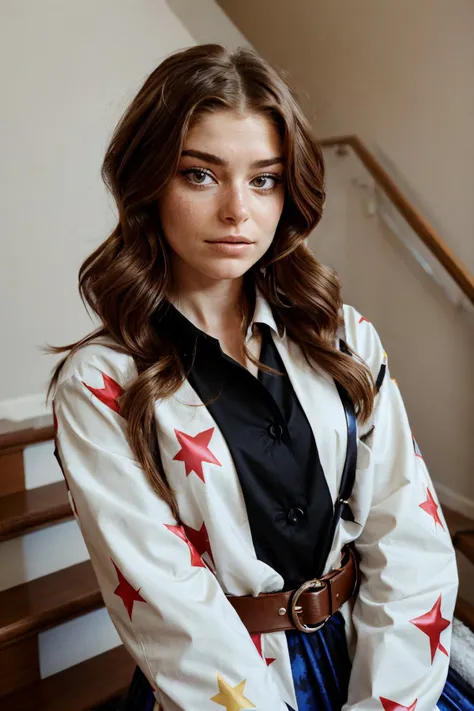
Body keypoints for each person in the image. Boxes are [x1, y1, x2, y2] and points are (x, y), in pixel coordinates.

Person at [47, 44, 473, 711]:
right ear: (148, 181)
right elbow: (172, 613)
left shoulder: (343, 335)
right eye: (200, 174)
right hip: (229, 687)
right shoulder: (100, 386)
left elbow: (409, 537)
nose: (238, 211)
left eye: (265, 178)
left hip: (383, 664)